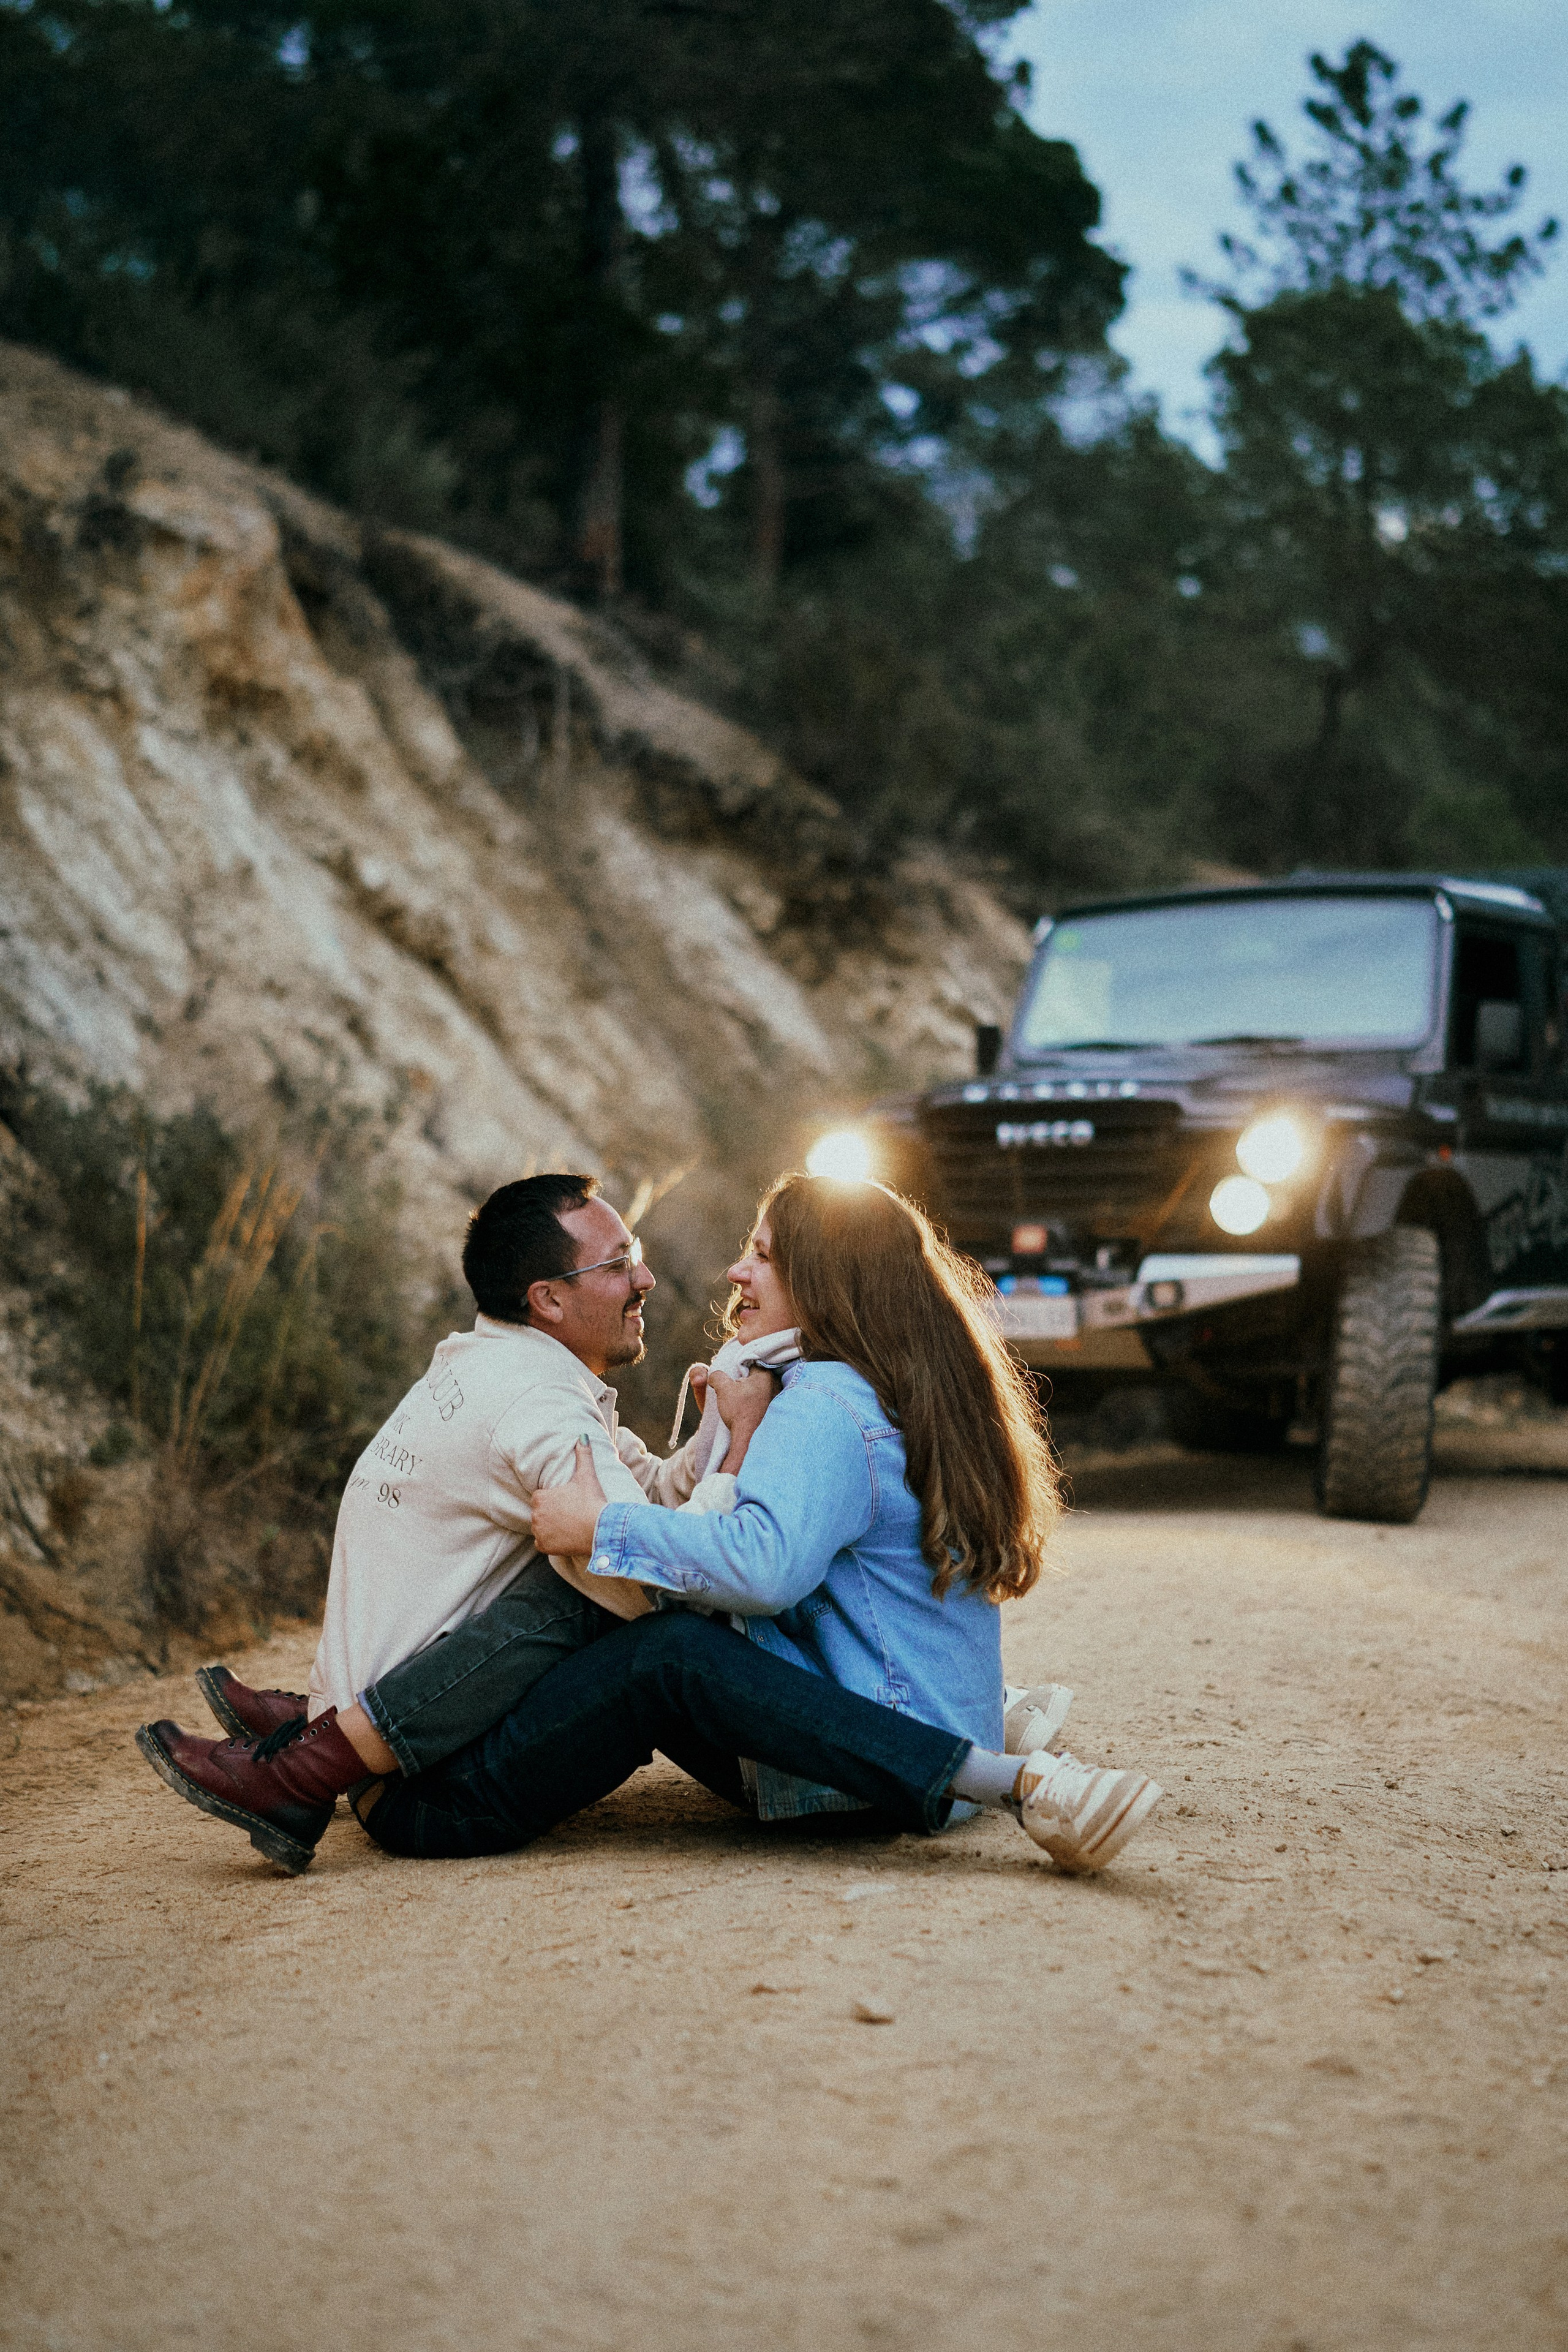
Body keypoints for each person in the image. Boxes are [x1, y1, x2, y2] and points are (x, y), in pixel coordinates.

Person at [347, 1175, 1164, 1874]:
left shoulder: (825, 1409)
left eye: (763, 1255)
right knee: (643, 1606)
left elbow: (763, 1568)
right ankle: (355, 1741)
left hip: (877, 1769)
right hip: (893, 1723)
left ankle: (1015, 1781)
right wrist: (727, 1440)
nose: (735, 1269)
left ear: (825, 1280)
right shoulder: (864, 1387)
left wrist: (606, 1527)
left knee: (661, 1647)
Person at [136, 1171, 775, 1872]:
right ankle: (302, 1766)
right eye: (619, 1263)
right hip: (423, 1788)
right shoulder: (537, 1408)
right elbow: (659, 1583)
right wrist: (740, 1447)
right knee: (586, 1582)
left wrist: (720, 1417)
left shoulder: (497, 1365)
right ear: (549, 1300)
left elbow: (649, 1491)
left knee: (587, 1538)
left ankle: (315, 1726)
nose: (646, 1278)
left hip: (405, 1753)